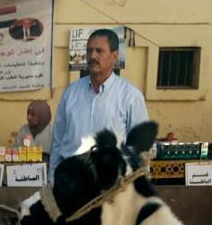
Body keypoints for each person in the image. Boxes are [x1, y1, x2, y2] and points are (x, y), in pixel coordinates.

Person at [49, 28, 148, 181]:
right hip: (71, 182)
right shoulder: (71, 93)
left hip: (111, 186)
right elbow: (58, 141)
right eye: (89, 51)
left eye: (99, 51)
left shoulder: (130, 96)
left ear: (115, 56)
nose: (92, 56)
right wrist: (52, 180)